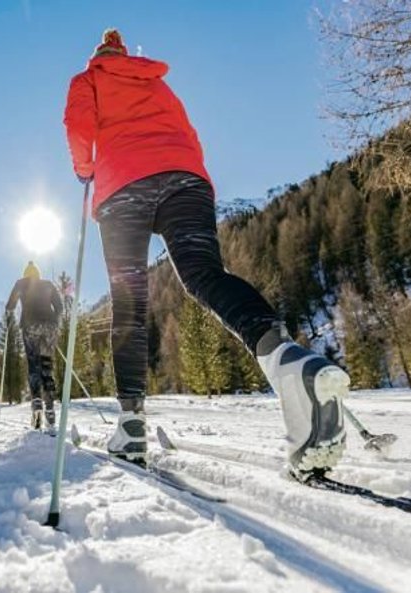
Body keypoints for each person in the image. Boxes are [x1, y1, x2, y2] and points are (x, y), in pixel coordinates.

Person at [63, 29, 350, 478]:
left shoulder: (88, 79)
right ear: (124, 53)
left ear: (99, 54)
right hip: (185, 179)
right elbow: (188, 132)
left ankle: (131, 424)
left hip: (124, 189)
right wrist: (183, 170)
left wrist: (84, 169)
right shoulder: (154, 80)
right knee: (204, 274)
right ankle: (286, 359)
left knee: (130, 301)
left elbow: (78, 127)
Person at [5, 261, 64, 431]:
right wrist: (53, 324)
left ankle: (37, 404)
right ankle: (50, 409)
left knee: (33, 364)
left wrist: (9, 312)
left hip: (30, 325)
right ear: (38, 273)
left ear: (26, 273)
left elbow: (11, 305)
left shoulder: (21, 283)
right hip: (50, 327)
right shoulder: (48, 285)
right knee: (47, 365)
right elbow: (59, 307)